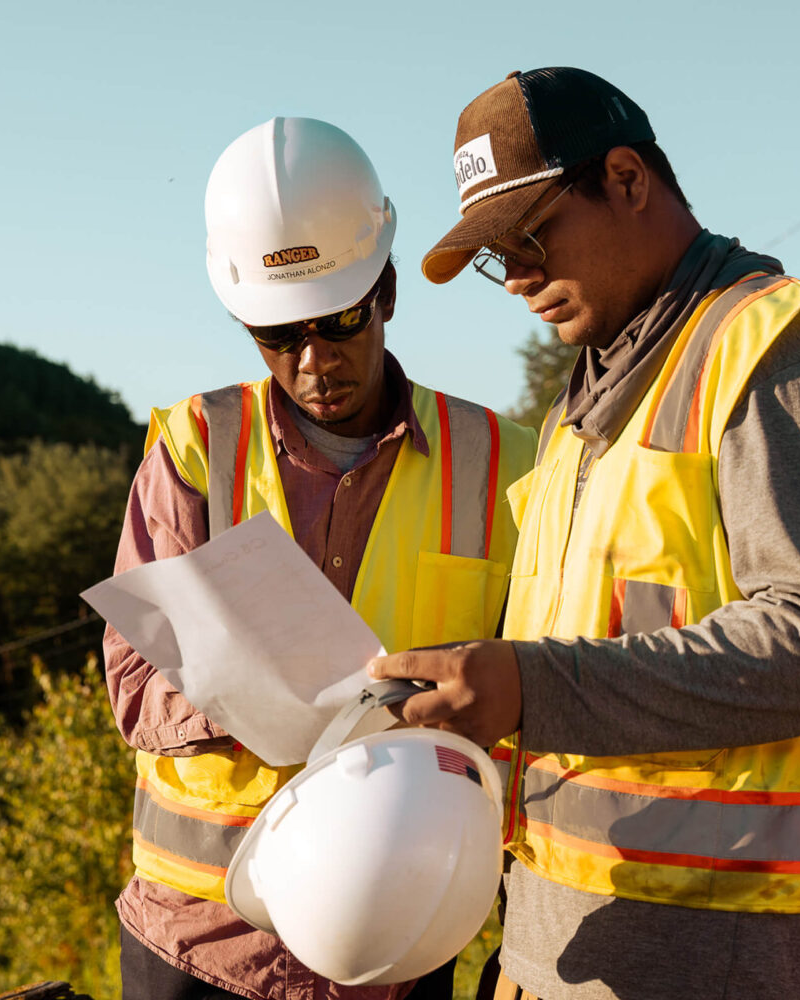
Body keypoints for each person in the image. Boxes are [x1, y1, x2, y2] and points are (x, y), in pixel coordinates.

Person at [368, 68, 800, 1000]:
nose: (516, 280)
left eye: (528, 236)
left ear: (626, 178)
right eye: (494, 257)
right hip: (561, 938)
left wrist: (532, 686)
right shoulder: (585, 402)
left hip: (725, 958)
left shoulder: (776, 352)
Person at [103, 116, 536, 1000]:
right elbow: (135, 689)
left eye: (337, 320)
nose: (312, 361)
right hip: (196, 941)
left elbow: (547, 697)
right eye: (276, 334)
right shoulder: (193, 447)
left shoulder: (505, 465)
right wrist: (255, 693)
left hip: (400, 937)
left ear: (384, 290)